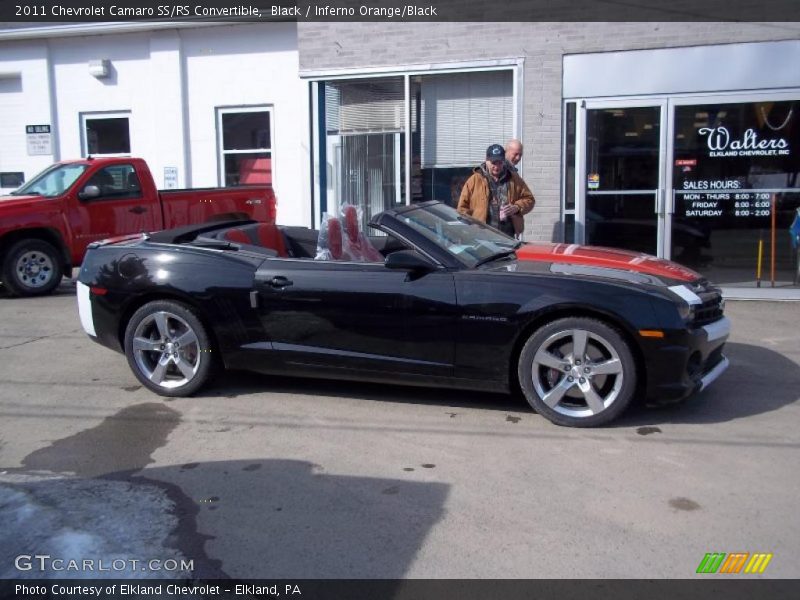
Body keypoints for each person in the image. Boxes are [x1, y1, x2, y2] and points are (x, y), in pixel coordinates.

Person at [457, 144, 535, 238]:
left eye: (500, 162)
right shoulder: (474, 180)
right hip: (482, 236)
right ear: (486, 160)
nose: (497, 166)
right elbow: (462, 209)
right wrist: (471, 229)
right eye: (494, 162)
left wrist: (517, 207)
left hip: (507, 235)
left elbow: (529, 199)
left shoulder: (514, 178)